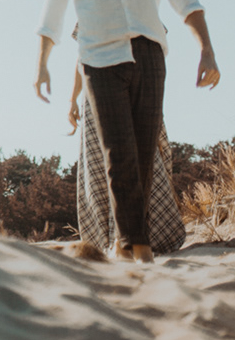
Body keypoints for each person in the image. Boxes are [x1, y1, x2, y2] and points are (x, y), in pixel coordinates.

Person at [36, 0, 220, 262]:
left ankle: (132, 243)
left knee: (143, 154)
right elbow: (53, 10)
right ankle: (136, 247)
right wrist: (43, 63)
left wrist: (206, 48)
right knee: (118, 154)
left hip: (148, 55)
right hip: (99, 60)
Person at [66, 39, 185, 253]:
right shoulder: (92, 16)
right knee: (105, 163)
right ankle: (115, 240)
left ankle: (144, 237)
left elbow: (154, 47)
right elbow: (83, 54)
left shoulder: (144, 17)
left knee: (145, 161)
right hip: (99, 91)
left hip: (137, 87)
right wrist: (72, 99)